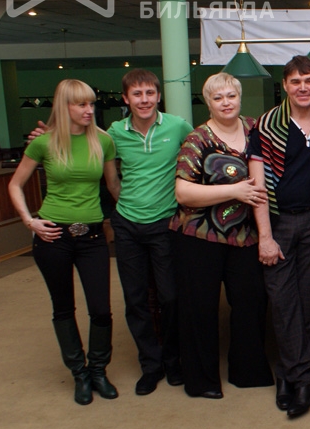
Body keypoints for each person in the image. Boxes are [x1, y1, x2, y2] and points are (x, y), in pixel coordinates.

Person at [28, 70, 193, 396]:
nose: (144, 100)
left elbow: (203, 147)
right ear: (126, 99)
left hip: (165, 224)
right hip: (127, 226)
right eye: (137, 94)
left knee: (171, 297)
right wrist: (49, 135)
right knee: (135, 300)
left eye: (149, 93)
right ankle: (151, 365)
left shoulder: (178, 127)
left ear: (159, 96)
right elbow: (86, 145)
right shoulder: (114, 132)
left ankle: (173, 361)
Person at [8, 79, 121, 405]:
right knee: (63, 307)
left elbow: (113, 185)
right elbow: (15, 184)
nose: (89, 110)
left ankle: (98, 370)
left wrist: (136, 216)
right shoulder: (43, 143)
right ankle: (79, 374)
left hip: (92, 236)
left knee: (101, 309)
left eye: (91, 104)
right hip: (53, 235)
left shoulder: (103, 140)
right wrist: (29, 221)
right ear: (64, 106)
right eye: (81, 104)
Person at [170, 72, 273, 399]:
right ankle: (201, 381)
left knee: (251, 303)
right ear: (208, 103)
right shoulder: (197, 139)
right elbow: (183, 193)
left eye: (231, 96)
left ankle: (248, 372)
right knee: (199, 308)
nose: (226, 102)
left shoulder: (256, 129)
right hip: (199, 236)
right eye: (218, 98)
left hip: (244, 235)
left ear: (240, 98)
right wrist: (235, 191)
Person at [248, 55, 310, 419]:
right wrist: (265, 237)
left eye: (309, 80)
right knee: (284, 302)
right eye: (296, 81)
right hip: (279, 222)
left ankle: (290, 374)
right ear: (285, 85)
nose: (303, 87)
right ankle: (303, 380)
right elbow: (258, 187)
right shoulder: (267, 126)